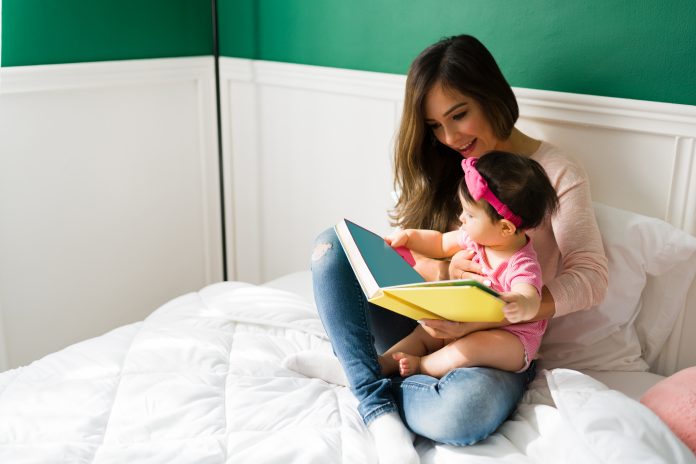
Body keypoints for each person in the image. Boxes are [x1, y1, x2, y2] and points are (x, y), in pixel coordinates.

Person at [310, 34, 608, 464]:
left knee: (461, 414)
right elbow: (425, 250)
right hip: (424, 319)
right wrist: (445, 271)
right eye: (434, 126)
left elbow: (592, 277)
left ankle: (361, 374)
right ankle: (379, 412)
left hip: (491, 343)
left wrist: (511, 307)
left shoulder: (554, 171)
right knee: (331, 246)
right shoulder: (449, 165)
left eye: (459, 115)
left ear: (492, 96)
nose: (448, 137)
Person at [379, 151, 559, 380]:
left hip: (510, 339)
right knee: (424, 332)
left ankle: (423, 366)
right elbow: (440, 242)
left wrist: (521, 302)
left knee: (475, 346)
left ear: (505, 228)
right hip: (463, 322)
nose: (461, 218)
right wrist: (410, 237)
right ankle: (386, 361)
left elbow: (530, 294)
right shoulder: (476, 238)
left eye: (470, 215)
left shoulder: (521, 263)